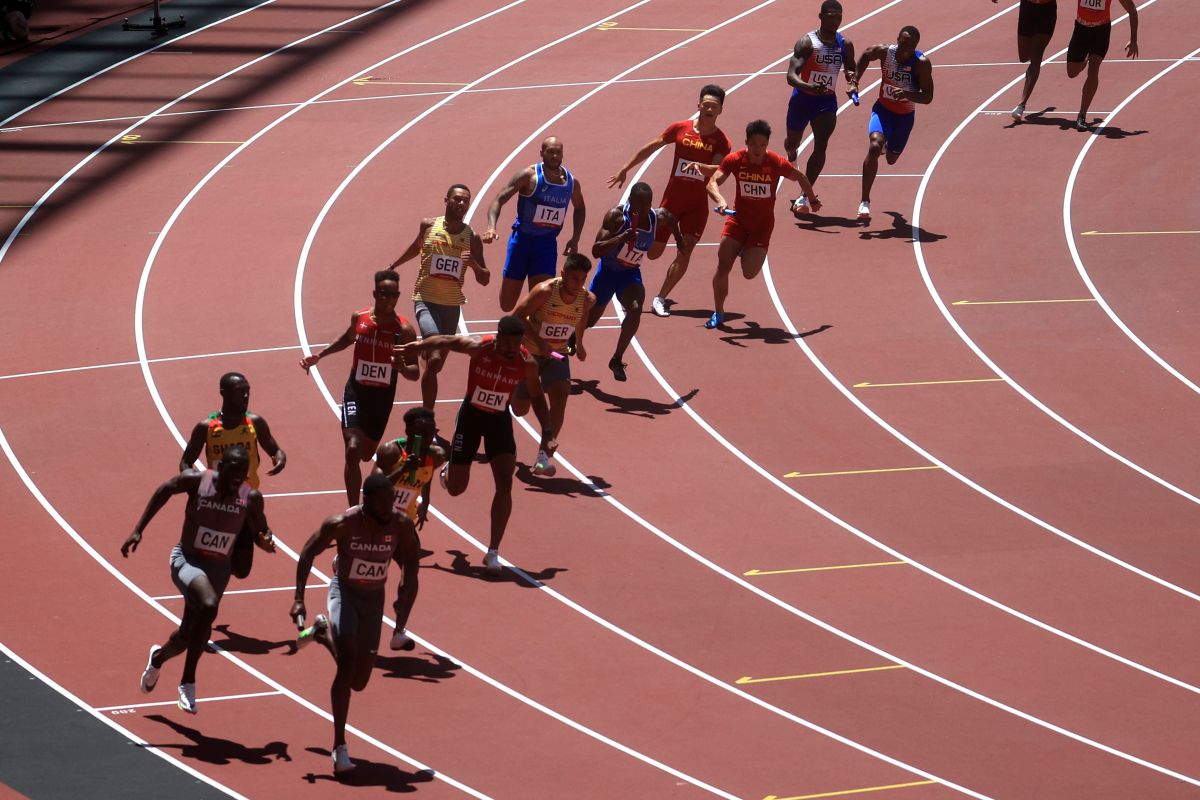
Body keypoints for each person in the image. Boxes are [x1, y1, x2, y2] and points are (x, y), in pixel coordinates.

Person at [122, 445, 276, 714]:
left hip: (219, 569)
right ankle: (188, 681)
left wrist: (263, 539)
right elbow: (164, 490)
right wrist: (138, 530)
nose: (237, 482)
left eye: (243, 476)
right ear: (220, 467)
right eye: (233, 476)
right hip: (187, 560)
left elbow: (261, 527)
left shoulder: (249, 497)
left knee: (188, 635)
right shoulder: (198, 481)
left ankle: (158, 658)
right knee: (208, 605)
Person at [396, 316, 556, 574]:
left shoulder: (526, 363)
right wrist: (415, 347)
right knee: (457, 489)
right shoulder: (480, 347)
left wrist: (547, 431)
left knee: (505, 483)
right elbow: (446, 340)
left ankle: (493, 551)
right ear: (498, 338)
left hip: (499, 421)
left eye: (516, 345)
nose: (510, 350)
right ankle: (449, 473)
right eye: (507, 344)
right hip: (471, 417)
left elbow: (537, 397)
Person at [291, 473, 420, 775]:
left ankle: (322, 633)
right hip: (345, 593)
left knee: (359, 681)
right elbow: (309, 551)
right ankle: (339, 745)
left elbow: (412, 564)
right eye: (386, 500)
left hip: (374, 600)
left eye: (393, 499)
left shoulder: (400, 524)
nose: (392, 504)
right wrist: (299, 597)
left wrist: (403, 611)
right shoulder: (343, 524)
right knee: (347, 664)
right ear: (368, 500)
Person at [607, 85, 733, 318]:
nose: (708, 108)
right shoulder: (680, 128)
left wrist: (703, 169)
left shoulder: (721, 141)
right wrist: (626, 167)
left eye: (713, 106)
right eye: (705, 104)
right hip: (671, 203)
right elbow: (653, 145)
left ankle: (660, 298)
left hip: (696, 208)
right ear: (698, 105)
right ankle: (619, 277)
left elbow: (718, 172)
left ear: (720, 111)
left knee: (685, 251)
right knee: (653, 252)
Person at [299, 270, 419, 506]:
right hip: (356, 390)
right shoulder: (360, 318)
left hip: (382, 397)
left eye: (394, 295)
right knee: (353, 450)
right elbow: (346, 339)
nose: (388, 299)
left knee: (366, 454)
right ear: (375, 293)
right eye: (384, 293)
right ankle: (353, 509)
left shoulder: (403, 330)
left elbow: (415, 373)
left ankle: (375, 485)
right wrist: (320, 355)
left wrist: (403, 367)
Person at [703, 120, 821, 329]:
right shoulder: (735, 160)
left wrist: (811, 199)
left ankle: (745, 250)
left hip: (762, 227)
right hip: (737, 220)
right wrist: (720, 200)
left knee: (749, 273)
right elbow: (713, 181)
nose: (758, 149)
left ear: (767, 145)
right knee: (722, 265)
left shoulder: (775, 162)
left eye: (762, 145)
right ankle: (718, 312)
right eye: (754, 144)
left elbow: (801, 177)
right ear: (747, 142)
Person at [387, 184, 490, 410]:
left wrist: (471, 262)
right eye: (457, 199)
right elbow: (416, 247)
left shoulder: (472, 238)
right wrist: (395, 264)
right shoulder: (429, 225)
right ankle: (427, 414)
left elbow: (485, 279)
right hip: (425, 299)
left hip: (452, 306)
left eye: (465, 201)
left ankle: (426, 357)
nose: (461, 204)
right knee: (433, 358)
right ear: (447, 200)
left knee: (436, 365)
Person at [180, 372, 286, 580]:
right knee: (210, 558)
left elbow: (275, 449)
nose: (246, 397)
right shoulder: (206, 428)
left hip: (245, 500)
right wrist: (197, 485)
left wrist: (280, 459)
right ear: (224, 393)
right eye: (240, 393)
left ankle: (229, 553)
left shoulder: (255, 423)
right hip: (217, 499)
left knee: (242, 570)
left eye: (247, 392)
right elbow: (186, 461)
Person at [586, 182, 683, 380]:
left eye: (647, 205)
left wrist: (680, 240)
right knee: (589, 321)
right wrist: (620, 238)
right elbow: (596, 251)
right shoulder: (617, 216)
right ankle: (570, 338)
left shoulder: (657, 217)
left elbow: (672, 220)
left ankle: (617, 359)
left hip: (629, 274)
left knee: (636, 308)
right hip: (607, 273)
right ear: (630, 201)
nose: (643, 209)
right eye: (639, 205)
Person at [510, 253, 595, 475]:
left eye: (583, 279)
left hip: (557, 354)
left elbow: (580, 320)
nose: (579, 284)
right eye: (574, 278)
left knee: (560, 395)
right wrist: (539, 341)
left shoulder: (587, 299)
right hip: (529, 352)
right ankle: (512, 393)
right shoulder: (544, 292)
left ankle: (543, 457)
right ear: (563, 274)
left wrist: (581, 343)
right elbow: (517, 316)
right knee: (519, 409)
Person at [483, 137, 586, 312]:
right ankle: (520, 317)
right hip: (521, 243)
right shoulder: (529, 176)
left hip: (546, 246)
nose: (554, 156)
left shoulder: (571, 183)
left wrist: (575, 238)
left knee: (541, 301)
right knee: (506, 304)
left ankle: (526, 330)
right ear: (541, 153)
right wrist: (491, 226)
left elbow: (580, 208)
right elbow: (498, 200)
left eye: (558, 152)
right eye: (550, 151)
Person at [783, 1, 858, 213]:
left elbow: (850, 70)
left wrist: (852, 84)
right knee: (792, 142)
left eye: (839, 17)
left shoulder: (846, 44)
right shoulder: (807, 43)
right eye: (831, 16)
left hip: (826, 102)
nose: (835, 20)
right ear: (821, 16)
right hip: (801, 100)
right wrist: (809, 87)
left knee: (821, 145)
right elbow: (790, 76)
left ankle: (804, 196)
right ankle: (792, 155)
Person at [854, 26, 934, 223]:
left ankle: (887, 147)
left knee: (891, 159)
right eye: (903, 43)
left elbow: (928, 97)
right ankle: (865, 201)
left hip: (904, 118)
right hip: (883, 110)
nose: (906, 48)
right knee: (874, 146)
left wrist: (907, 94)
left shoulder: (921, 63)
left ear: (916, 46)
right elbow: (865, 54)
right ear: (897, 39)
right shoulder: (885, 52)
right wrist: (854, 80)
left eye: (911, 46)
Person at [1065, 0, 1138, 131]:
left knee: (1093, 70)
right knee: (1071, 73)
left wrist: (1133, 40)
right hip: (1081, 29)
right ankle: (1085, 59)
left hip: (1101, 31)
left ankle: (1082, 115)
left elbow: (1132, 10)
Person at [996, 0, 1058, 121]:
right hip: (1028, 8)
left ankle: (1021, 104)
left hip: (1047, 10)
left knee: (1037, 57)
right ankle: (1034, 54)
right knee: (1023, 57)